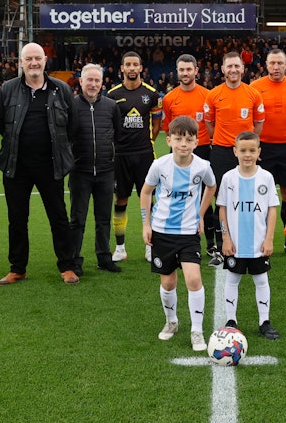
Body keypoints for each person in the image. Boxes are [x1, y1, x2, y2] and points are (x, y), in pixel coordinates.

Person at [0, 43, 77, 285]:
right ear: (21, 62)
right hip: (16, 165)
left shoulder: (60, 89)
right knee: (17, 218)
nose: (33, 62)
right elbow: (1, 124)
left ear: (45, 61)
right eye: (28, 58)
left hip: (51, 165)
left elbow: (71, 126)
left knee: (58, 217)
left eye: (37, 58)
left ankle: (67, 266)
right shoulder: (8, 89)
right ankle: (17, 268)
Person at [140, 116, 217, 351]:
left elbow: (212, 187)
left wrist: (201, 215)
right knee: (168, 282)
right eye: (178, 138)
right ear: (170, 141)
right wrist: (146, 224)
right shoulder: (159, 165)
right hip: (162, 232)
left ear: (196, 142)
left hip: (188, 233)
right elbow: (146, 193)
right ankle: (171, 322)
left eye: (189, 139)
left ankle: (197, 330)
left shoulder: (202, 166)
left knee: (193, 279)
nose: (184, 143)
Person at [218, 131, 282, 339]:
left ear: (259, 152)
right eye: (243, 150)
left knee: (261, 280)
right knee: (232, 279)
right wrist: (225, 238)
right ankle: (231, 320)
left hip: (258, 243)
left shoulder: (266, 177)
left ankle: (264, 321)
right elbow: (222, 209)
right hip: (235, 243)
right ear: (235, 151)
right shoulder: (229, 178)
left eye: (252, 150)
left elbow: (272, 209)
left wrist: (269, 238)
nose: (247, 154)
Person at [203, 51, 264, 266]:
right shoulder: (213, 95)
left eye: (237, 66)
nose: (233, 70)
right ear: (222, 69)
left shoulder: (253, 94)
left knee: (247, 198)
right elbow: (209, 124)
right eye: (229, 66)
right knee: (222, 200)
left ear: (243, 68)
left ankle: (249, 243)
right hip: (220, 151)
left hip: (246, 153)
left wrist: (249, 147)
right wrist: (222, 140)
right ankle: (221, 246)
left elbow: (258, 124)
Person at [250, 49, 286, 257]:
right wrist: (251, 148)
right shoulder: (255, 88)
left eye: (280, 63)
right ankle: (259, 240)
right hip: (262, 149)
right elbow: (249, 120)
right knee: (259, 195)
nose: (276, 67)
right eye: (272, 63)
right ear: (265, 65)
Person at [68, 63, 123, 278]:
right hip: (79, 172)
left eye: (96, 80)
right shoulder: (71, 106)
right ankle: (74, 260)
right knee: (77, 220)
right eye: (88, 80)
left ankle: (104, 258)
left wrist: (112, 166)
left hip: (105, 171)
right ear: (80, 81)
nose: (92, 84)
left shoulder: (111, 106)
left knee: (103, 219)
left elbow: (117, 137)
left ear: (102, 83)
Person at [108, 51, 162, 263]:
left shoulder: (151, 94)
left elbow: (157, 124)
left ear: (141, 68)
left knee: (148, 200)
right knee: (120, 199)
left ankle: (150, 246)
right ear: (122, 68)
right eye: (128, 64)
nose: (131, 68)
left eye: (135, 64)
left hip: (145, 156)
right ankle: (120, 247)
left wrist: (147, 141)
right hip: (120, 156)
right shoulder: (112, 95)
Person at [160, 54, 215, 253]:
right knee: (177, 197)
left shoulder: (207, 95)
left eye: (189, 69)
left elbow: (211, 124)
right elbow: (168, 129)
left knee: (205, 199)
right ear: (177, 71)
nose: (185, 73)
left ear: (196, 71)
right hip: (177, 153)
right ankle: (176, 240)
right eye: (181, 70)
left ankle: (210, 244)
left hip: (202, 151)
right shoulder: (169, 98)